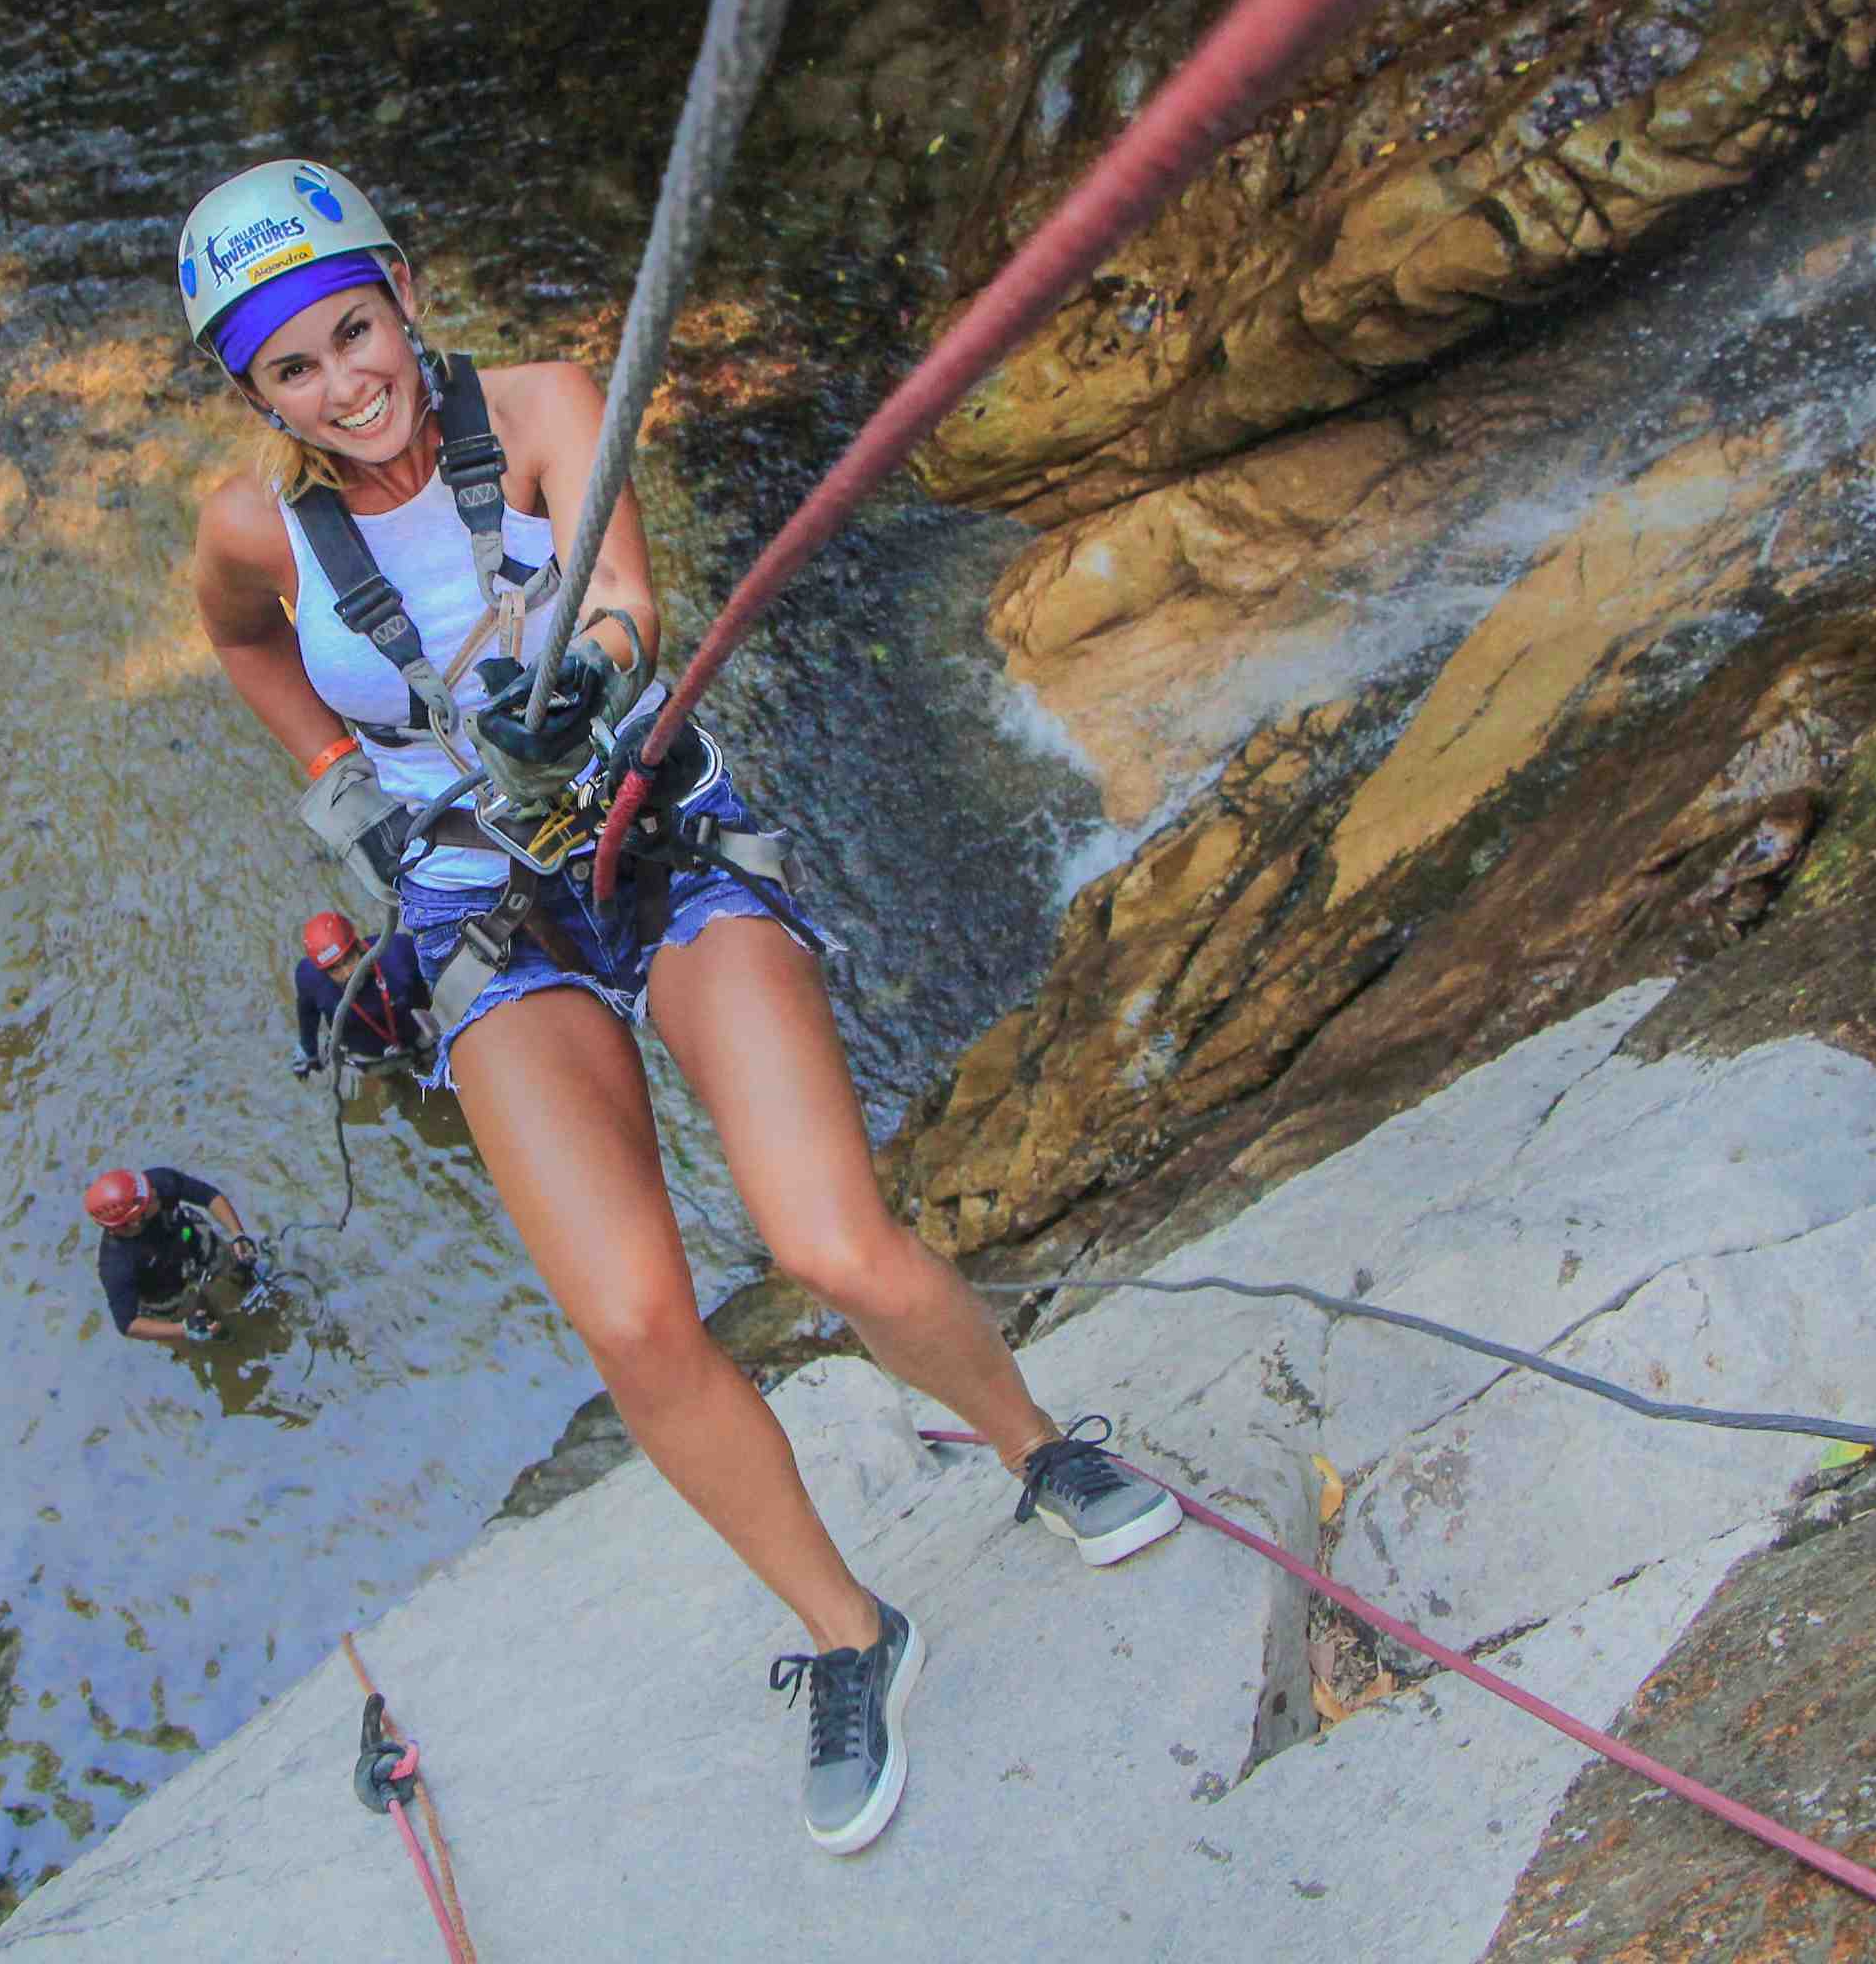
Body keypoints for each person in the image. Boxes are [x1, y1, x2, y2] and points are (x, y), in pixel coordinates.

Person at [179, 160, 1179, 1856]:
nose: (346, 382)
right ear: (252, 391)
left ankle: (1035, 1443)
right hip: (474, 898)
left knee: (825, 1240)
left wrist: (583, 674)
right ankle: (852, 1631)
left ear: (405, 291)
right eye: (295, 368)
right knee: (637, 1324)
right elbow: (244, 643)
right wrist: (338, 778)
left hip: (653, 828)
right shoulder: (248, 531)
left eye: (356, 328)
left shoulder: (555, 400)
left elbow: (626, 600)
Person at [87, 1166, 259, 1346]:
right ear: (133, 1221)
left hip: (193, 1244)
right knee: (210, 1334)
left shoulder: (159, 1182)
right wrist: (184, 1329)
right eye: (148, 1199)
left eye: (149, 1189)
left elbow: (208, 1196)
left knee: (241, 1271)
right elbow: (128, 1324)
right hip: (169, 1296)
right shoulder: (116, 1265)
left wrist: (238, 1234)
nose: (154, 1192)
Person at [291, 909, 436, 1077]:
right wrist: (309, 1052)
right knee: (389, 1080)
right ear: (323, 972)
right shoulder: (310, 980)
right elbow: (307, 1015)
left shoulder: (397, 953)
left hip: (416, 1034)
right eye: (334, 969)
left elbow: (431, 981)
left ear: (359, 945)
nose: (346, 974)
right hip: (368, 1056)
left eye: (348, 960)